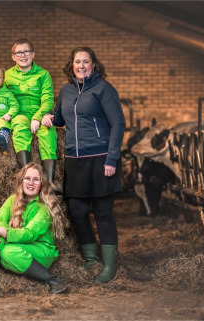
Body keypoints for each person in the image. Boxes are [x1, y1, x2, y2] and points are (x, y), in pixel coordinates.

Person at [42, 47, 126, 283]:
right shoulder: (67, 90)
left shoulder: (104, 89)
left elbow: (118, 124)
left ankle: (110, 265)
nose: (81, 66)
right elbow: (60, 117)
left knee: (103, 213)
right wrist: (50, 117)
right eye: (77, 62)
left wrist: (112, 158)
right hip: (74, 159)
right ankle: (91, 258)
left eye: (85, 62)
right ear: (72, 65)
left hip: (100, 158)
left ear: (94, 65)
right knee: (77, 212)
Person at [0, 162, 67, 298]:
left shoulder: (45, 207)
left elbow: (29, 234)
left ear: (42, 183)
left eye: (36, 179)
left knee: (7, 250)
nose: (31, 183)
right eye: (27, 178)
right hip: (17, 245)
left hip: (40, 250)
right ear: (21, 181)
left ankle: (52, 279)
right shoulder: (12, 199)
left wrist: (1, 231)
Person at [5, 38, 61, 192]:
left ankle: (49, 182)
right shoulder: (7, 76)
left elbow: (48, 100)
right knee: (20, 127)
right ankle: (25, 178)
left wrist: (38, 117)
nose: (23, 55)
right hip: (18, 113)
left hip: (39, 112)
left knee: (48, 133)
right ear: (13, 56)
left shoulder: (43, 74)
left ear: (33, 54)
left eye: (26, 51)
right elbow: (1, 96)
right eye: (19, 52)